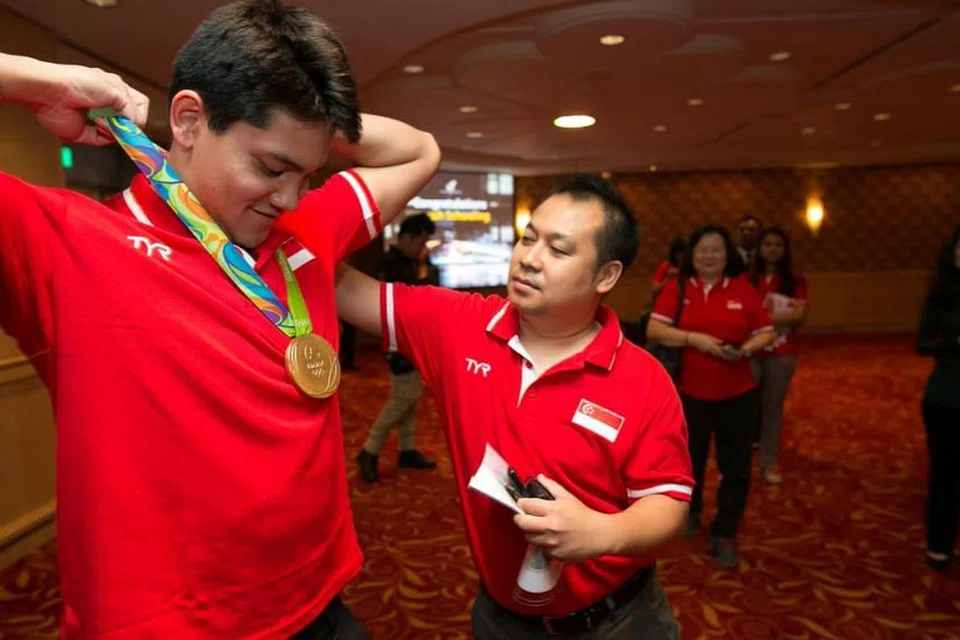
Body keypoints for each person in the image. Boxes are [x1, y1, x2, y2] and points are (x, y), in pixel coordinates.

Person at [0, 0, 441, 637]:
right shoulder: (67, 241)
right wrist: (43, 79)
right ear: (187, 119)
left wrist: (309, 122)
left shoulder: (299, 228)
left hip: (321, 602)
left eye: (308, 173)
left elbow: (418, 150)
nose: (290, 196)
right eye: (270, 167)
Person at [283, 174, 694, 639]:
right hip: (501, 619)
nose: (530, 260)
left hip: (618, 620)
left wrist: (600, 533)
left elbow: (668, 504)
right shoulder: (460, 326)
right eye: (528, 239)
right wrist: (282, 205)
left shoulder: (641, 378)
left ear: (606, 275)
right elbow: (337, 284)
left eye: (558, 251)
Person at [646, 225, 774, 568]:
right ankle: (692, 510)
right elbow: (654, 330)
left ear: (727, 254)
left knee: (736, 468)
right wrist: (694, 339)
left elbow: (766, 332)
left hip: (739, 394)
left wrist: (745, 348)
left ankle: (725, 530)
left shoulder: (743, 289)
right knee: (690, 462)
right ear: (692, 255)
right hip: (690, 394)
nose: (709, 256)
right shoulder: (678, 287)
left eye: (716, 249)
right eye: (703, 250)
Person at [356, 213, 438, 482]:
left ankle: (407, 448)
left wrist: (424, 266)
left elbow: (432, 294)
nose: (423, 246)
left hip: (418, 339)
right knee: (403, 398)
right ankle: (370, 449)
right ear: (406, 238)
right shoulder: (389, 265)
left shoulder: (418, 263)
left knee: (410, 398)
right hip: (397, 341)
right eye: (420, 241)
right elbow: (397, 305)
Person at [916, 224, 960, 572]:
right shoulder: (942, 295)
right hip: (946, 395)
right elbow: (922, 343)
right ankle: (940, 544)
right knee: (944, 472)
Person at [750, 227, 808, 484]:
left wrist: (760, 319)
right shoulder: (746, 279)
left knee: (772, 410)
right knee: (747, 411)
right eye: (767, 244)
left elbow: (799, 317)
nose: (772, 249)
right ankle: (740, 466)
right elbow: (741, 317)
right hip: (749, 351)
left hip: (782, 353)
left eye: (778, 245)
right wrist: (777, 318)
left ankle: (768, 462)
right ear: (759, 249)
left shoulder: (795, 281)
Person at [651, 236, 686, 301]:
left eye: (683, 254)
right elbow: (655, 290)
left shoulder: (691, 267)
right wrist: (668, 279)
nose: (681, 257)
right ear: (674, 254)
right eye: (678, 254)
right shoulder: (665, 266)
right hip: (666, 302)